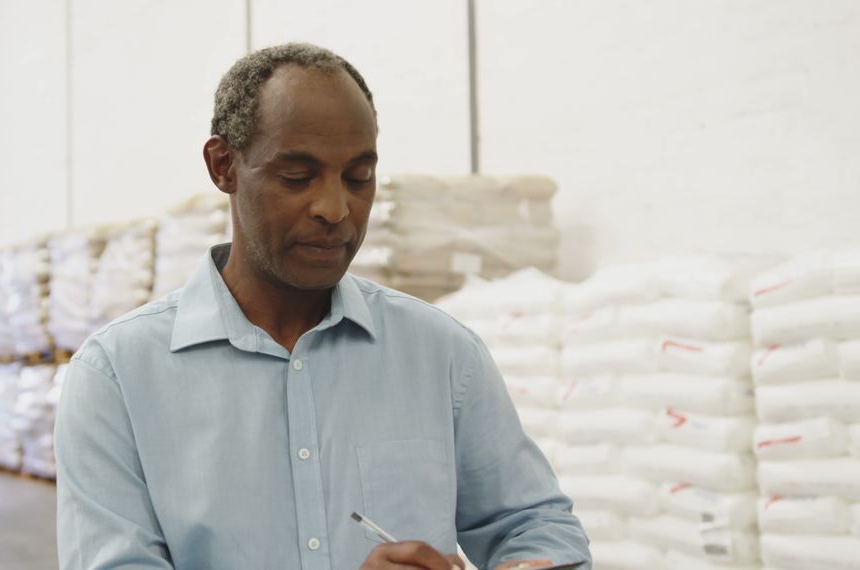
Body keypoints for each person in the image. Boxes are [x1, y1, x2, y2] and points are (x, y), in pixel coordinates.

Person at [55, 42, 590, 570]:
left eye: (359, 178)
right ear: (224, 166)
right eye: (297, 177)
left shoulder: (444, 355)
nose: (336, 209)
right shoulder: (117, 377)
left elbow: (537, 527)